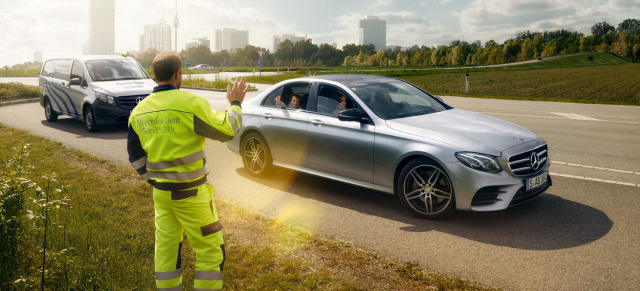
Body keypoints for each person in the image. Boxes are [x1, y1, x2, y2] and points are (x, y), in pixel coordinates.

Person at [127, 51, 248, 291]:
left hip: (162, 196)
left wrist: (155, 181)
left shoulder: (139, 111)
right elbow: (227, 130)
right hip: (191, 195)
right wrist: (235, 104)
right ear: (178, 74)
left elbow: (135, 156)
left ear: (156, 75)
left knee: (166, 249)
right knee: (211, 250)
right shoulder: (190, 104)